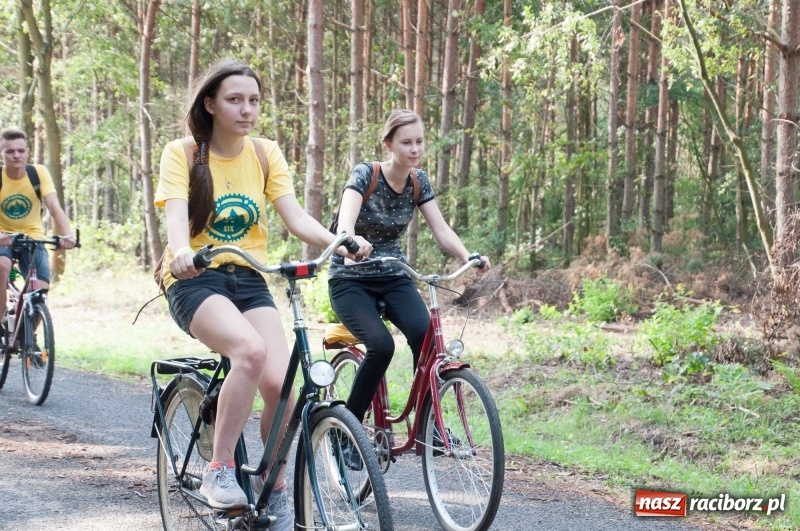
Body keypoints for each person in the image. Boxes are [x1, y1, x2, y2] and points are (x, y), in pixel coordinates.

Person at [154, 58, 368, 525]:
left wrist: (341, 240)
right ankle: (218, 469)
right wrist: (181, 252)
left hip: (249, 279)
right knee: (249, 352)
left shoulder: (266, 153)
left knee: (282, 386)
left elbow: (295, 217)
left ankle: (273, 487)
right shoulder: (183, 153)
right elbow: (175, 216)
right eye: (235, 100)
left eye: (253, 100)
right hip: (195, 279)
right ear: (210, 105)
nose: (247, 109)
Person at [327, 109, 490, 467]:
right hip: (350, 278)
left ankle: (429, 427)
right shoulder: (366, 174)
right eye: (406, 142)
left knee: (426, 337)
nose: (415, 149)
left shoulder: (418, 181)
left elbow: (441, 229)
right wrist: (351, 242)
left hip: (394, 274)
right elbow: (344, 223)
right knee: (381, 346)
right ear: (388, 144)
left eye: (419, 141)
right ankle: (346, 432)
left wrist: (467, 254)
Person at [0, 127, 78, 321]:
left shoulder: (38, 172)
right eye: (10, 151)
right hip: (2, 236)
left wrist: (67, 235)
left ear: (27, 152)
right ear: (1, 154)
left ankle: (26, 334)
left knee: (39, 292)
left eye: (21, 150)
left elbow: (54, 206)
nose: (16, 155)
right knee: (2, 266)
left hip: (32, 236)